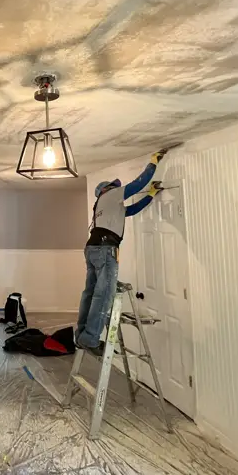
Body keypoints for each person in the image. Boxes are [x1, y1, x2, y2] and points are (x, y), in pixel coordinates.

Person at [74, 148, 169, 355]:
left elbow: (132, 210)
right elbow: (137, 185)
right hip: (105, 249)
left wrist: (151, 195)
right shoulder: (111, 195)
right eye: (116, 187)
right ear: (108, 189)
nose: (119, 190)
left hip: (92, 249)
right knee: (104, 294)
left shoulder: (103, 207)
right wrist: (153, 162)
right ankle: (90, 339)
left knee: (90, 293)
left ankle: (81, 335)